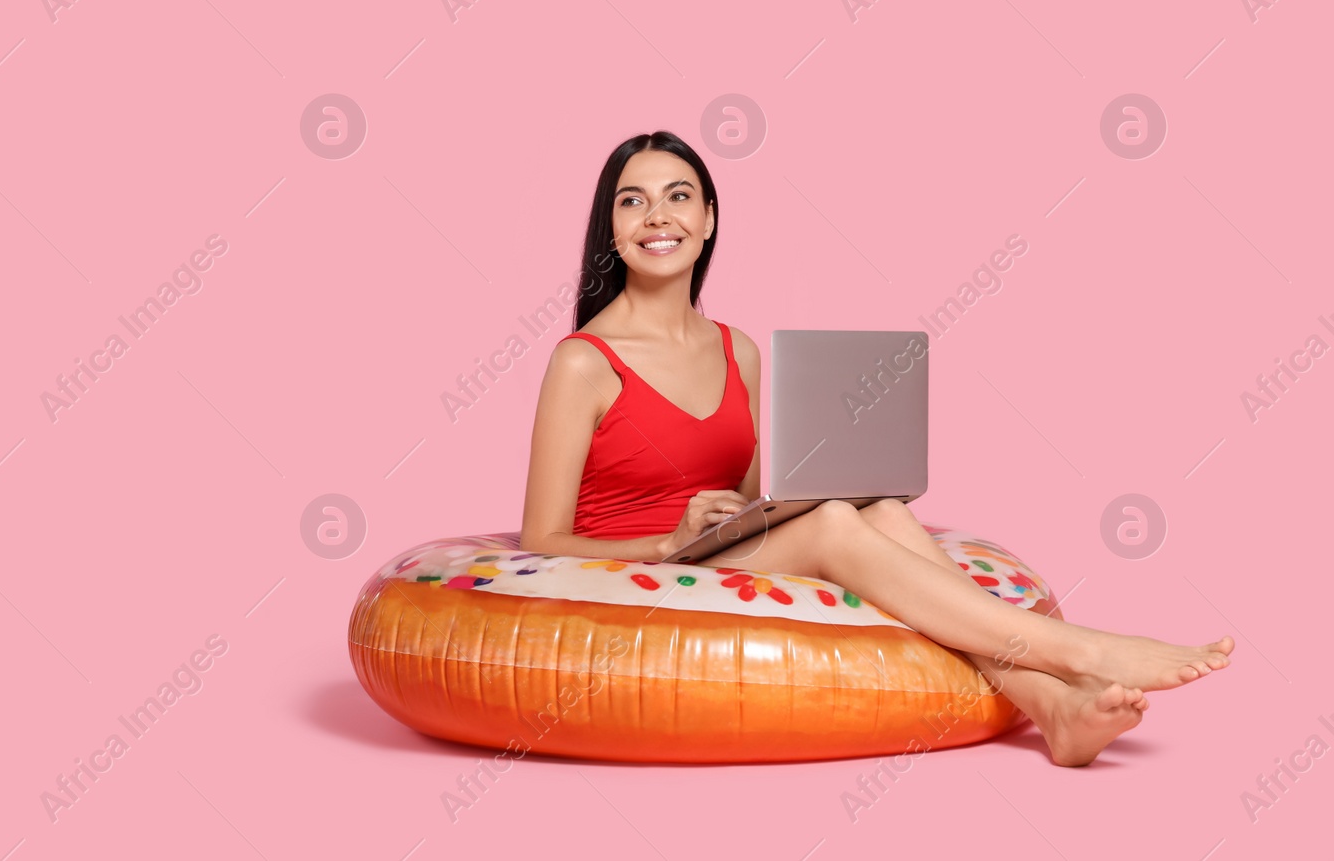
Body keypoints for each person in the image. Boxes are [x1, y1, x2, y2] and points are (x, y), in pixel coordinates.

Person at [518, 130, 1232, 767]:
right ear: (611, 229)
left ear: (708, 220)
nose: (657, 217)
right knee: (831, 523)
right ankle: (1079, 652)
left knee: (877, 506)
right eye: (632, 202)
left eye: (678, 196)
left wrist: (802, 480)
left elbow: (749, 490)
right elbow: (539, 535)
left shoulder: (739, 350)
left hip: (717, 544)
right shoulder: (584, 361)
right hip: (644, 557)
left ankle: (1058, 710)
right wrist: (664, 542)